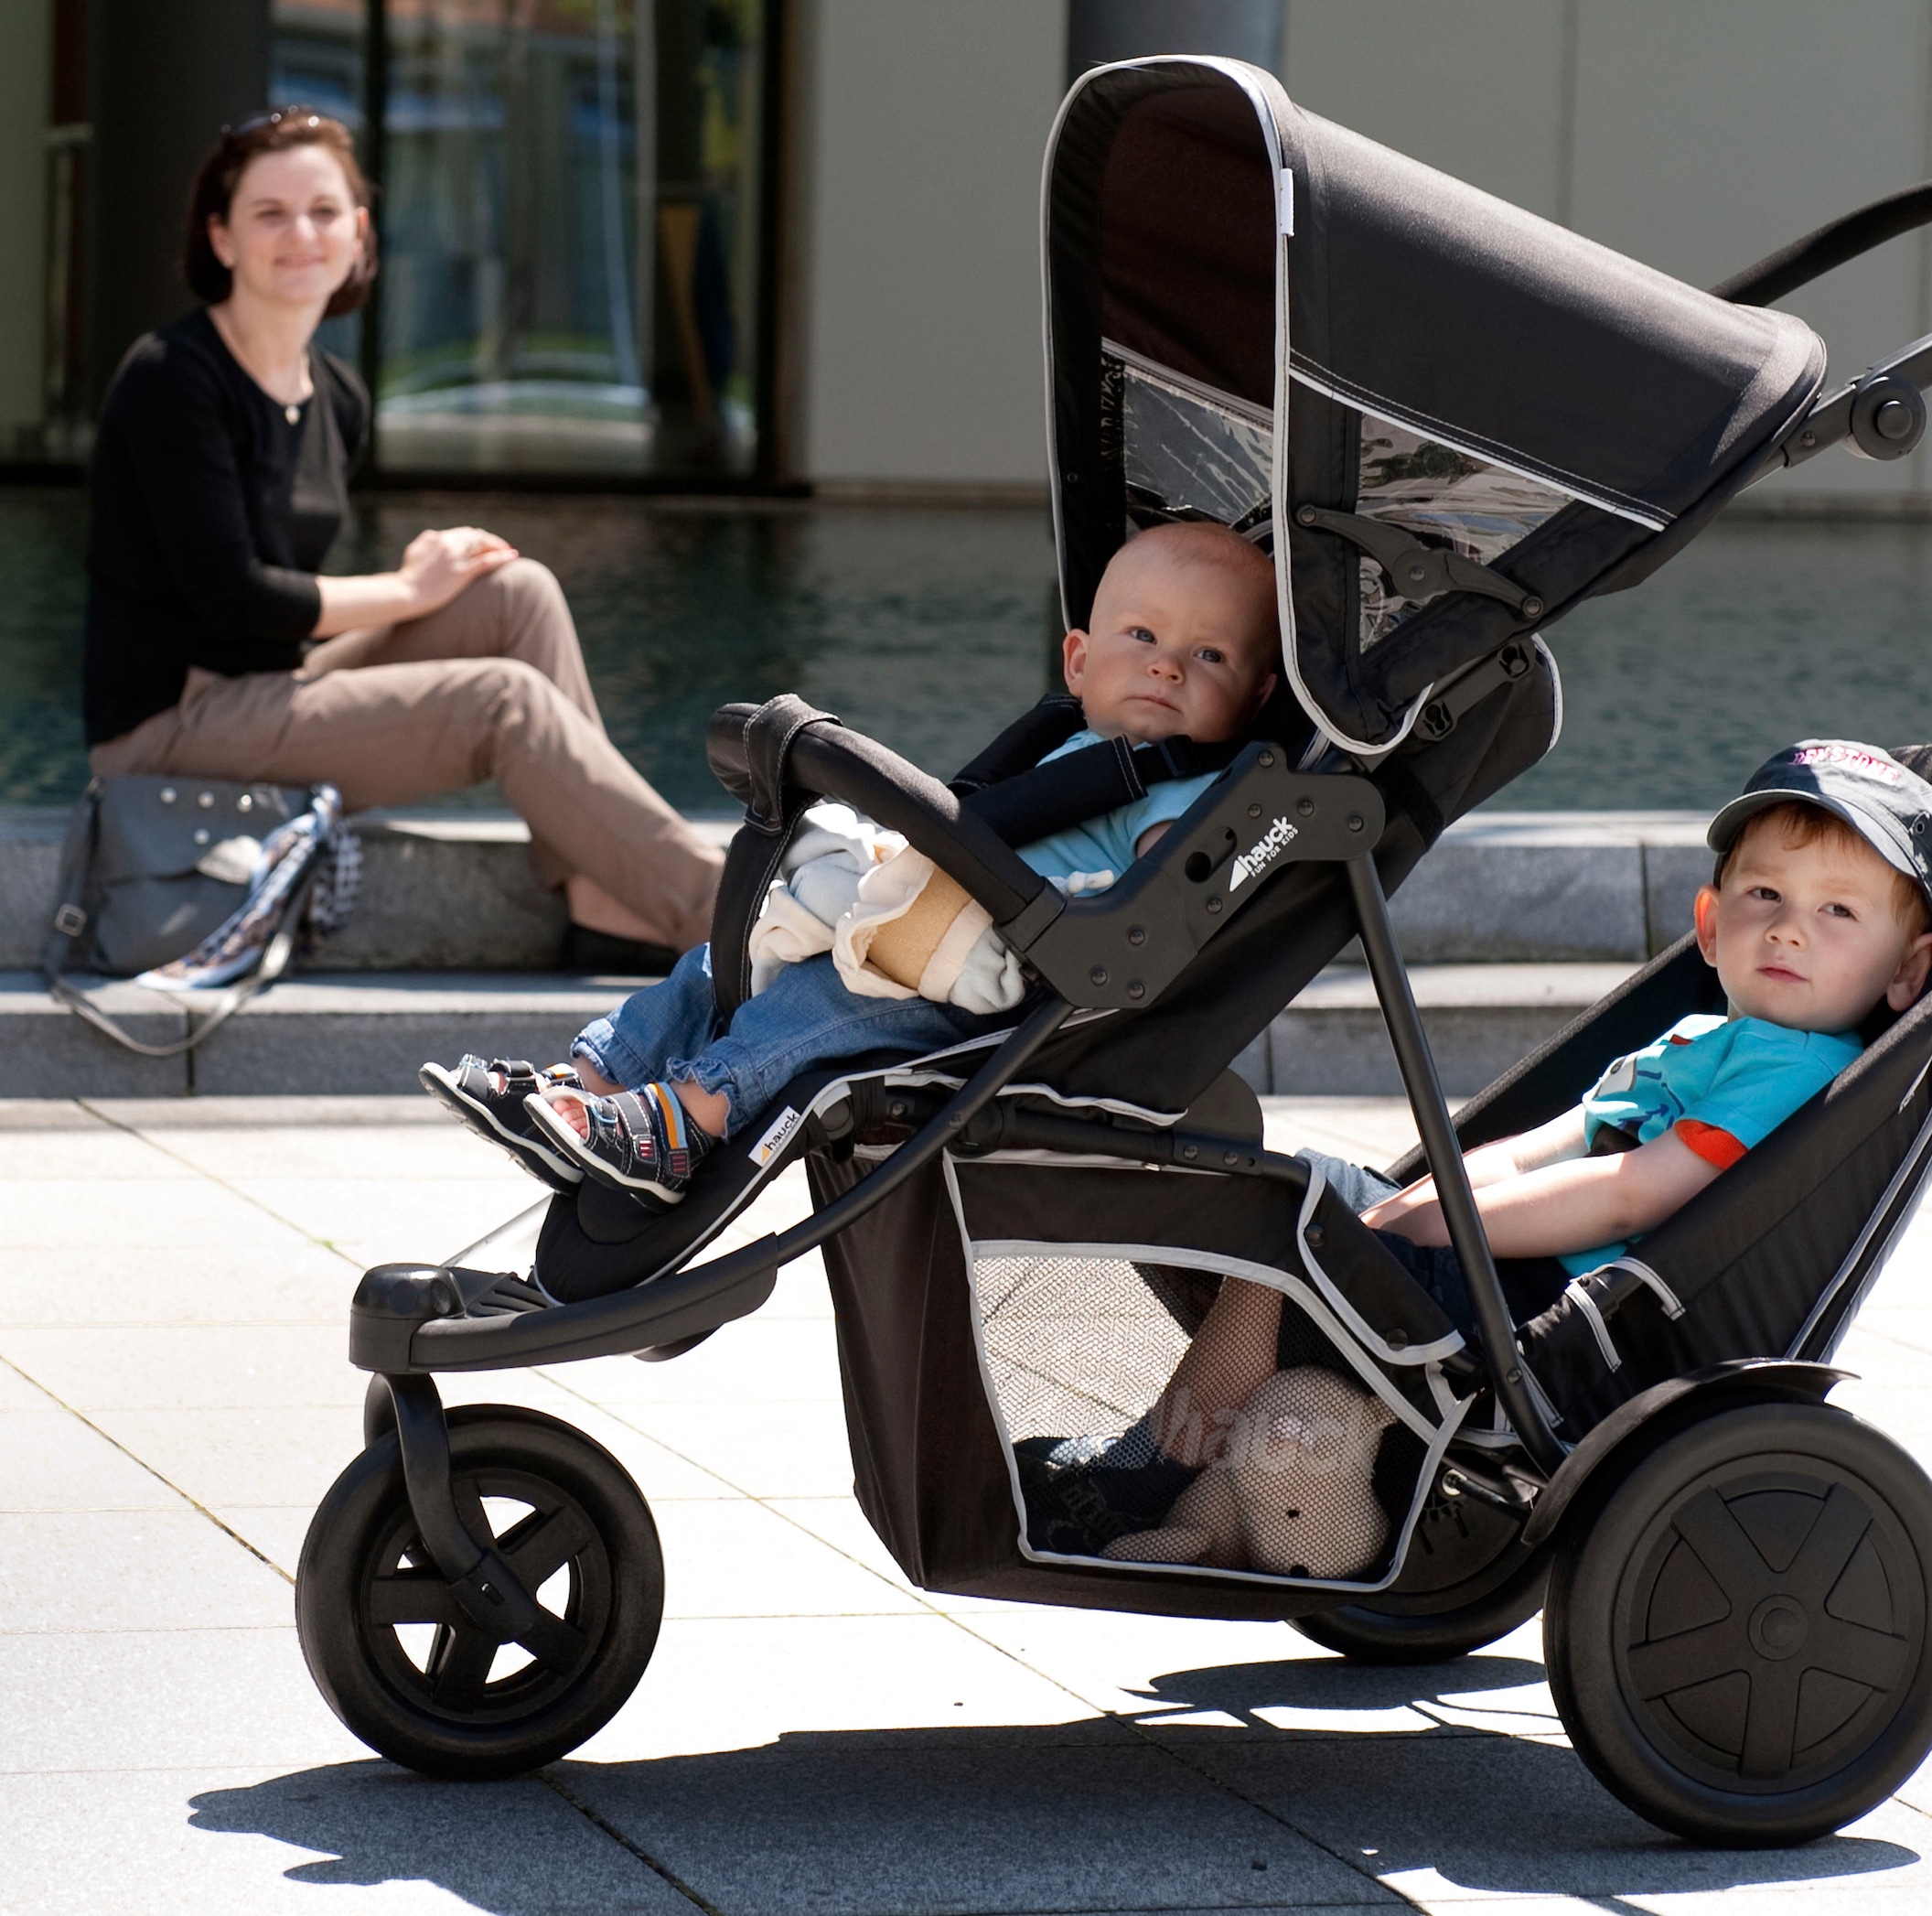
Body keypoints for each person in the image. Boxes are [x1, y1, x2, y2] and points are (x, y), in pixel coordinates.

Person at [1054, 737, 1932, 1534]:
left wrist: (1436, 1227)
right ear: (1711, 927)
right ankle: (1207, 1459)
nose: (1792, 927)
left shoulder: (1796, 1069)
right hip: (1514, 1259)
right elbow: (1551, 1143)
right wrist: (1422, 1202)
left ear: (1908, 971)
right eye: (1765, 892)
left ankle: (1150, 1470)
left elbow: (1630, 1191)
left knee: (1284, 1244)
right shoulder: (1700, 1039)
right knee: (1287, 1191)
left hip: (1550, 1306)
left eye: (1839, 911)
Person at [422, 521, 1283, 1207]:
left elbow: (1173, 902)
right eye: (1143, 635)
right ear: (1079, 661)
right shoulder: (1063, 744)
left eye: (1210, 656)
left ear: (1253, 699)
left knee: (816, 1007)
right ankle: (586, 1085)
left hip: (976, 985)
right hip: (907, 926)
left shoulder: (1181, 793)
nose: (1168, 664)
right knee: (720, 967)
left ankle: (683, 1123)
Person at [80, 108, 720, 964]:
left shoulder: (336, 396)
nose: (300, 233)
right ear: (222, 239)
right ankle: (727, 915)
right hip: (170, 726)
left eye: (323, 211)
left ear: (359, 233)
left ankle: (605, 893)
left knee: (514, 592)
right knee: (504, 703)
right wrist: (411, 591)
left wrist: (432, 592)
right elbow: (229, 596)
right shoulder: (172, 378)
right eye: (269, 214)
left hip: (271, 690)